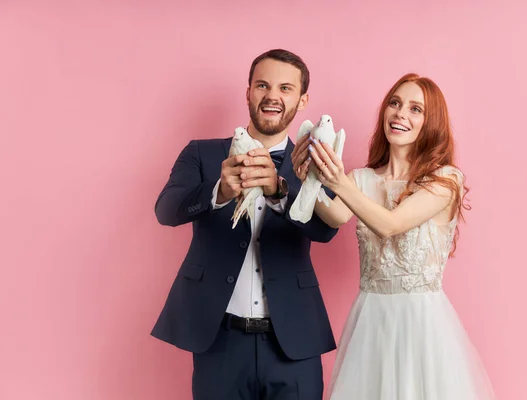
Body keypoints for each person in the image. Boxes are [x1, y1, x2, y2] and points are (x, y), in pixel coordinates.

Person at [151, 49, 338, 400]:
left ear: (302, 100)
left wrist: (279, 191)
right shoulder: (202, 153)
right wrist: (219, 190)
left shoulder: (315, 161)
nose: (272, 96)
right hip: (219, 341)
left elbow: (326, 230)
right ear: (248, 91)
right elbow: (166, 210)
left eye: (286, 88)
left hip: (293, 343)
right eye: (263, 85)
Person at [295, 73, 495, 399]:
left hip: (422, 325)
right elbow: (333, 216)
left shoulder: (445, 180)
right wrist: (310, 183)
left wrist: (336, 182)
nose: (401, 114)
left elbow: (389, 224)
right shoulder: (361, 178)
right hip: (372, 320)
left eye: (416, 109)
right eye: (395, 103)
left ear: (431, 124)